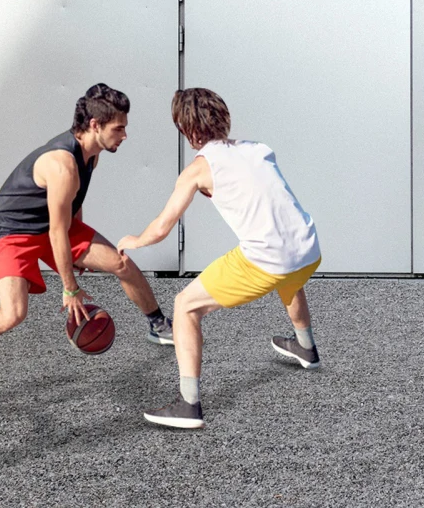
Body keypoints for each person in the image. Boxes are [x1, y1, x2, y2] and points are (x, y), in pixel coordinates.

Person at [0, 83, 174, 386]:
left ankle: (158, 325)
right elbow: (56, 231)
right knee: (14, 313)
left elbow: (71, 207)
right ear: (94, 125)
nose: (125, 135)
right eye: (119, 129)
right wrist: (70, 287)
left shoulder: (92, 153)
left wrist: (80, 247)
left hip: (54, 225)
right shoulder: (62, 165)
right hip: (13, 230)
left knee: (120, 263)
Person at [117, 87, 322, 429]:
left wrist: (133, 241)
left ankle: (188, 405)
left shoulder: (198, 170)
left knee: (185, 306)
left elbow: (162, 227)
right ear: (223, 117)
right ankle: (307, 349)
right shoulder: (259, 150)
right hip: (308, 249)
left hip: (267, 261)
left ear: (187, 129)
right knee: (288, 277)